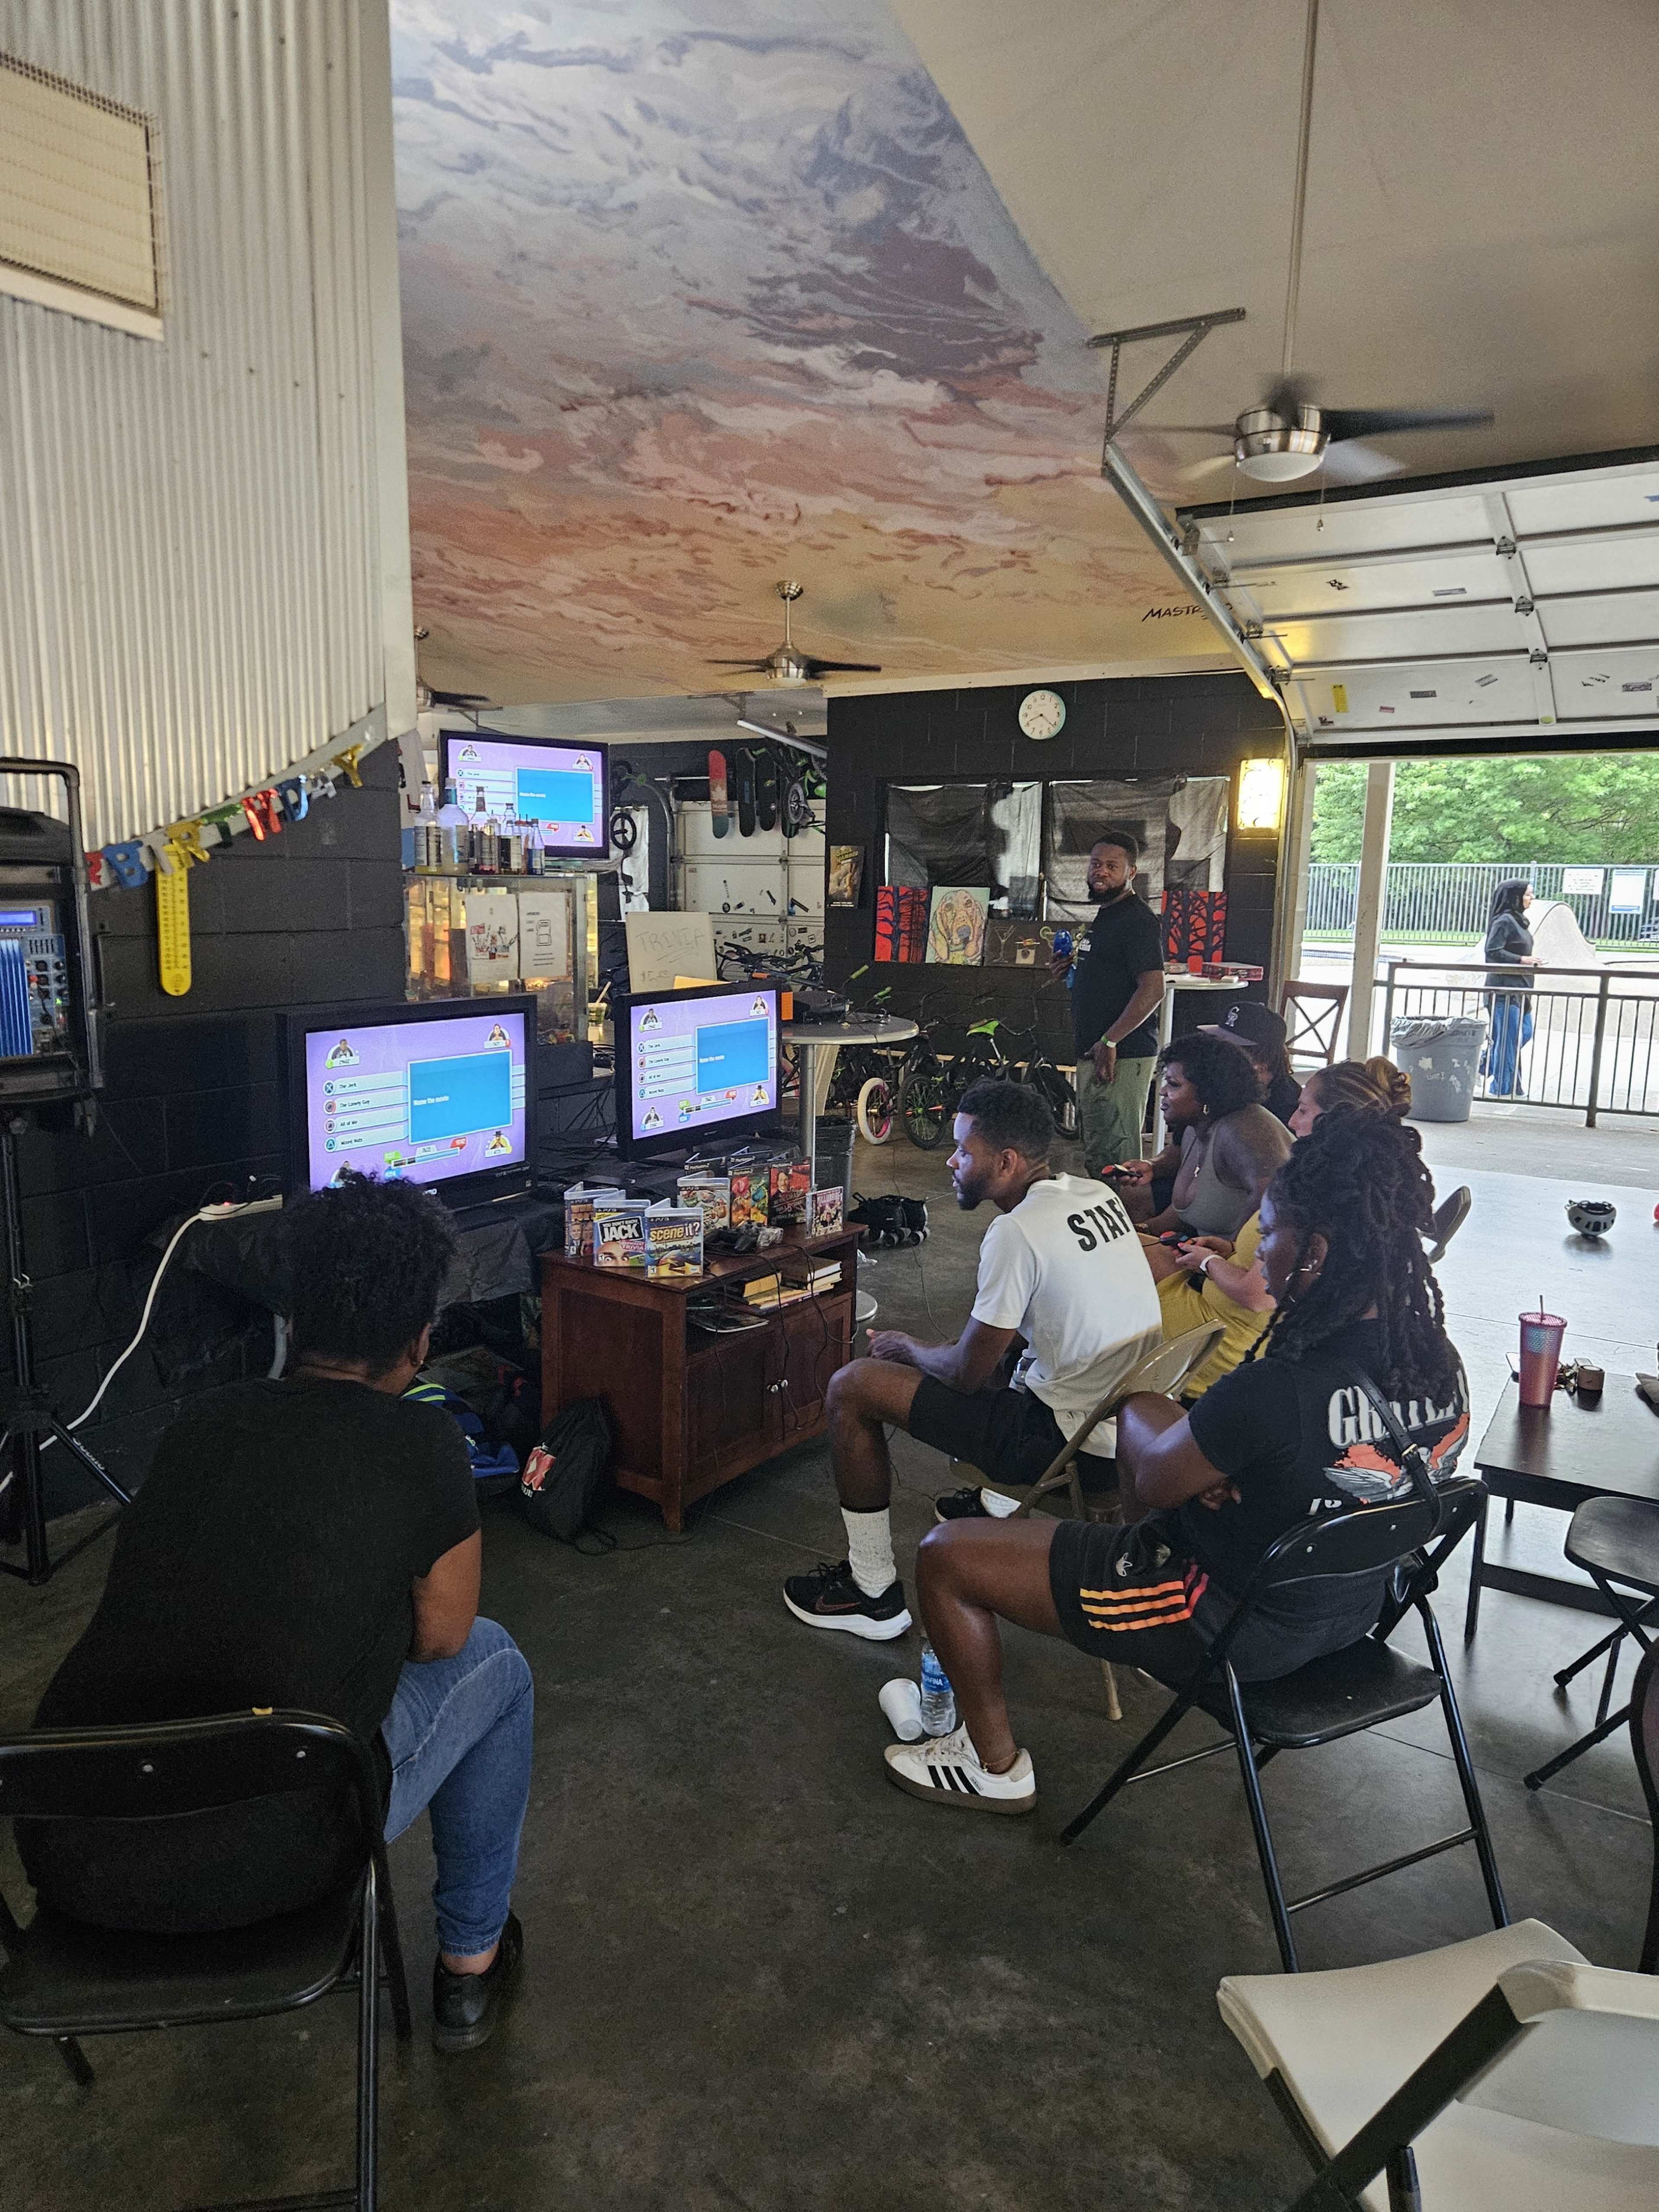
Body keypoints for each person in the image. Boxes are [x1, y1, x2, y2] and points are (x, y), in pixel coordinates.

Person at [23, 1173, 533, 2055]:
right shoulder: (423, 1442)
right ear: (420, 1339)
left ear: (293, 1318)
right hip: (281, 1855)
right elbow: (442, 1637)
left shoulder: (197, 1427)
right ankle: (471, 1969)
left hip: (74, 1849)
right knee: (499, 1664)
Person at [880, 1107, 1469, 1813]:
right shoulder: (1441, 1367)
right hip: (1347, 1609)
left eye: (1270, 1234)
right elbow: (1334, 1470)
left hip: (1224, 1619)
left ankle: (992, 1765)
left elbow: (1158, 1482)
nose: (1261, 1257)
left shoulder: (1274, 1390)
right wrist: (1228, 1465)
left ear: (1314, 1251)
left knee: (947, 1554)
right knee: (1155, 1427)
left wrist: (1170, 1438)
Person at [782, 1079, 1160, 1633]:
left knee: (854, 1384)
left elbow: (964, 1374)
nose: (952, 1163)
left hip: (1069, 1448)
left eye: (964, 1151)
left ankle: (870, 1591)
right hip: (1135, 1434)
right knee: (1003, 1353)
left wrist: (908, 1346)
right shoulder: (1093, 1194)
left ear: (1007, 1162)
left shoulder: (1017, 1232)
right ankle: (996, 1504)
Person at [1150, 1054, 1412, 1398]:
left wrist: (1207, 1263)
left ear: (1334, 1118)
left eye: (1303, 1110)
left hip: (1224, 1343)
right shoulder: (1367, 1190)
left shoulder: (1309, 1194)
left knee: (1119, 1281)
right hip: (1246, 1330)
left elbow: (1258, 1297)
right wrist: (1232, 1252)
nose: (1291, 1120)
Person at [1051, 831, 1166, 1175]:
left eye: (1112, 866)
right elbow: (1110, 979)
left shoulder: (1139, 920)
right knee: (1099, 1150)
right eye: (1096, 864)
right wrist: (1071, 971)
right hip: (1098, 1050)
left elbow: (1153, 989)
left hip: (1121, 1055)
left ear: (1131, 872)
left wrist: (1110, 1040)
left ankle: (1126, 1226)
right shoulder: (1107, 915)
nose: (1100, 872)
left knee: (1116, 1157)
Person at [1118, 1030, 1291, 1241]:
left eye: (1173, 1084)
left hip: (1242, 1265)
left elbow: (1278, 1204)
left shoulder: (1241, 1129)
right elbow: (1189, 1213)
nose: (1163, 1091)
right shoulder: (1195, 1128)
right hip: (1207, 1258)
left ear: (1208, 1092)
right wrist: (1137, 1232)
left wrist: (1225, 1258)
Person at [1200, 1000, 1302, 1127]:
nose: (1217, 1053)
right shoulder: (1221, 1082)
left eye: (1229, 1048)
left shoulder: (1287, 1106)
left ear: (1261, 1057)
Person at [1482, 878, 1536, 1097]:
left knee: (1523, 1032)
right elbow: (1492, 951)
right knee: (1507, 1040)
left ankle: (1484, 1064)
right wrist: (1521, 959)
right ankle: (1503, 1087)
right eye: (1528, 895)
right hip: (1503, 990)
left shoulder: (1518, 921)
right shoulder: (1504, 921)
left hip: (1520, 989)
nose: (1532, 898)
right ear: (1516, 897)